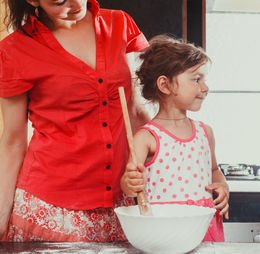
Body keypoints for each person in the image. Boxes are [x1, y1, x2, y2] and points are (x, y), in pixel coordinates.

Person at [0, 0, 149, 241]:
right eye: (59, 1)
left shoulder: (119, 23)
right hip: (50, 209)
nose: (76, 4)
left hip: (120, 205)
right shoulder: (14, 49)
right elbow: (13, 141)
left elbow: (136, 111)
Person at [120, 35, 229, 242]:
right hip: (164, 230)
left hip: (203, 226)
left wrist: (222, 185)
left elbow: (214, 171)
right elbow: (127, 184)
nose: (205, 87)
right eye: (197, 79)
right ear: (165, 85)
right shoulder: (146, 137)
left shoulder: (206, 132)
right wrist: (130, 182)